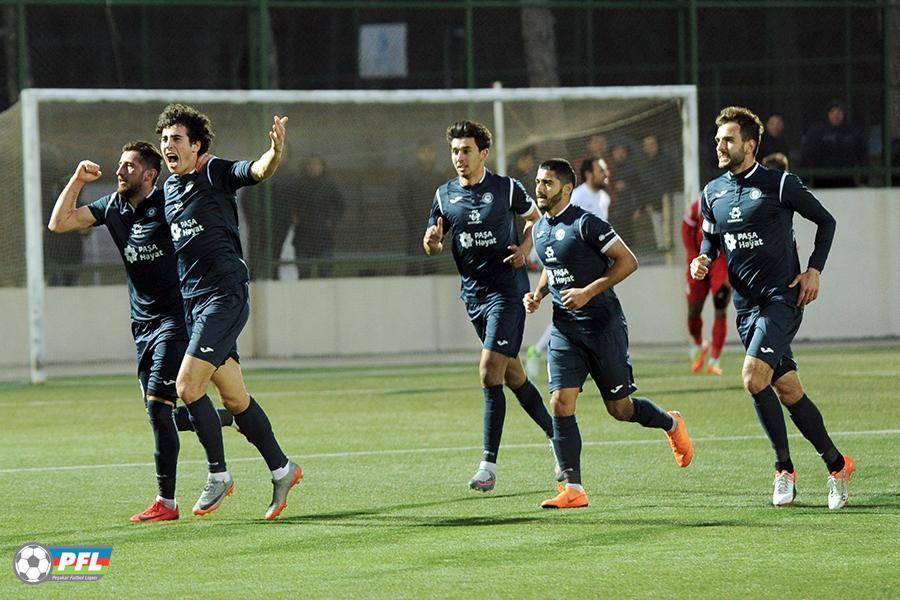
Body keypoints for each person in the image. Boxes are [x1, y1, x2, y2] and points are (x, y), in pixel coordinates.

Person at [47, 141, 235, 522]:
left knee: (158, 407)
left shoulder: (169, 204)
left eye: (129, 166)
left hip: (177, 319)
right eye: (120, 164)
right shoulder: (113, 208)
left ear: (150, 174)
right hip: (142, 326)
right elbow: (59, 223)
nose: (120, 170)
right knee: (161, 416)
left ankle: (169, 501)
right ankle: (222, 418)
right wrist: (78, 179)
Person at [691, 106, 854, 509]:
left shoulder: (779, 184)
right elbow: (710, 237)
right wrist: (704, 258)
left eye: (728, 140)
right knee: (789, 389)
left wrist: (814, 270)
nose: (720, 146)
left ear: (750, 145)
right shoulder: (712, 192)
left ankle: (784, 470)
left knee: (752, 377)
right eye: (717, 140)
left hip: (781, 300)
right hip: (746, 308)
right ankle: (838, 466)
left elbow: (827, 221)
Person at [156, 103, 301, 520]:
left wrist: (274, 151)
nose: (168, 145)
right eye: (164, 139)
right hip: (194, 304)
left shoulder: (213, 171)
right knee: (235, 398)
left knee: (187, 387)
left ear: (196, 146)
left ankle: (218, 474)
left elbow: (255, 171)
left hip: (224, 295)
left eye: (176, 139)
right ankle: (283, 469)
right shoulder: (169, 190)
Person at [524, 158, 694, 509]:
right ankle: (574, 488)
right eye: (538, 181)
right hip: (565, 330)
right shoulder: (539, 229)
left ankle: (670, 422)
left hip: (603, 326)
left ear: (566, 189)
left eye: (547, 183)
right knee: (560, 402)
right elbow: (552, 266)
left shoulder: (586, 222)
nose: (540, 188)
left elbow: (628, 261)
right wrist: (538, 294)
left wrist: (588, 292)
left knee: (620, 408)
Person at [423, 120, 555, 492]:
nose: (459, 157)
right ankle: (556, 434)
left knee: (488, 372)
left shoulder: (506, 188)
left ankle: (488, 466)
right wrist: (432, 241)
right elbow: (433, 243)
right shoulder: (444, 195)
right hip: (473, 297)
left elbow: (536, 220)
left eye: (466, 150)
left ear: (483, 153)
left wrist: (525, 250)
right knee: (513, 376)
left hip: (508, 294)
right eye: (454, 151)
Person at [525, 156, 611, 375]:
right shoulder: (578, 196)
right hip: (569, 261)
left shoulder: (604, 198)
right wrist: (536, 257)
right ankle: (541, 350)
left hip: (591, 264)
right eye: (601, 170)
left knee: (582, 312)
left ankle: (584, 358)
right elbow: (556, 229)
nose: (606, 173)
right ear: (589, 174)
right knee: (570, 311)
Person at [681, 195, 730, 375]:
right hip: (699, 259)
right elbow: (686, 231)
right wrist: (694, 258)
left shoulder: (732, 203)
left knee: (721, 302)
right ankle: (699, 344)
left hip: (721, 260)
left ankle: (714, 360)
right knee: (693, 312)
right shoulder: (698, 206)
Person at [292, 155, 346, 278]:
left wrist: (332, 221)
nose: (313, 167)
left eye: (316, 165)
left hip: (323, 235)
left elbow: (341, 205)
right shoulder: (299, 185)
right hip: (303, 235)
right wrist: (294, 217)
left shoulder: (329, 185)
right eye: (311, 164)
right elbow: (290, 203)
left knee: (325, 271)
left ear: (322, 167)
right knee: (304, 272)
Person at [399, 141, 444, 275]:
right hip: (415, 221)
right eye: (424, 152)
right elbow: (403, 198)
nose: (427, 155)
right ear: (418, 153)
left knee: (432, 251)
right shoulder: (410, 174)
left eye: (430, 152)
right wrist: (411, 217)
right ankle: (412, 276)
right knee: (414, 250)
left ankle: (430, 274)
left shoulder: (438, 174)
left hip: (433, 221)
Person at [802, 100, 867, 188]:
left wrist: (864, 180)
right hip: (821, 181)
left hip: (847, 180)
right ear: (827, 114)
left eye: (839, 112)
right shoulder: (817, 133)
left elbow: (862, 155)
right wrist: (805, 180)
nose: (836, 115)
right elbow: (807, 155)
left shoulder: (851, 133)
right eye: (832, 112)